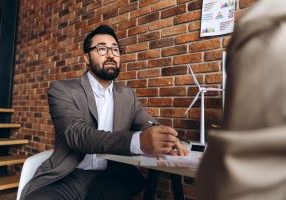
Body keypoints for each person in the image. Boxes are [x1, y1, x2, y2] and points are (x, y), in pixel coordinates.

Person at [20, 25, 188, 200]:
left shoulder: (128, 96)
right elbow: (76, 134)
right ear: (86, 57)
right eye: (102, 49)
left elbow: (148, 124)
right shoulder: (62, 90)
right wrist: (139, 141)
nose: (110, 54)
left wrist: (167, 139)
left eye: (115, 49)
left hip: (109, 178)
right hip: (67, 176)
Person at [196, 0, 286, 199]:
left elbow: (235, 182)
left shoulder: (265, 27)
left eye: (115, 49)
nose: (111, 55)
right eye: (107, 49)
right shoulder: (266, 26)